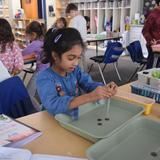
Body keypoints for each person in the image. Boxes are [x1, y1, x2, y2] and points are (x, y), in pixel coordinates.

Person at [36, 28, 117, 120]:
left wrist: (104, 89)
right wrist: (89, 97)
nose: (75, 63)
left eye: (78, 58)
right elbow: (53, 105)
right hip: (52, 121)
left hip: (72, 118)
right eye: (71, 58)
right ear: (55, 55)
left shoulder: (75, 71)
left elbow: (89, 84)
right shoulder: (44, 77)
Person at [22, 21, 49, 103]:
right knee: (41, 92)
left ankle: (34, 110)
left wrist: (25, 42)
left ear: (33, 34)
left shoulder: (35, 43)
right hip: (49, 70)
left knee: (28, 93)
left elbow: (23, 52)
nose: (28, 37)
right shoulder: (44, 40)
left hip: (41, 72)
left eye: (28, 36)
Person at [66, 3, 87, 71]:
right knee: (83, 59)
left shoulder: (74, 20)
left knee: (78, 61)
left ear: (72, 11)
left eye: (69, 14)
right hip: (84, 42)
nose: (69, 16)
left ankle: (80, 77)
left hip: (77, 43)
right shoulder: (82, 18)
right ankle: (85, 75)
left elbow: (71, 33)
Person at [142, 0, 160, 69]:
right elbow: (145, 30)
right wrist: (151, 40)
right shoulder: (152, 15)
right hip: (153, 46)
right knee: (151, 67)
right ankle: (147, 79)